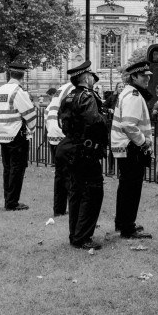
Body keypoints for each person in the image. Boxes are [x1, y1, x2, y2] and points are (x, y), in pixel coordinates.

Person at [57, 61, 107, 250]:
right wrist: (106, 119)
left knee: (76, 193)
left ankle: (75, 234)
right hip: (85, 151)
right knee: (92, 193)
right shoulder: (87, 96)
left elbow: (62, 122)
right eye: (92, 77)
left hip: (71, 147)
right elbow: (94, 121)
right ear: (86, 78)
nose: (94, 80)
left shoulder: (69, 96)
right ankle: (83, 237)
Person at [110, 60, 155, 239]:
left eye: (148, 76)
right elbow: (129, 124)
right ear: (134, 77)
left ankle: (122, 223)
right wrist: (143, 142)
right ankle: (128, 228)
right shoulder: (134, 95)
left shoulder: (129, 93)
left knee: (126, 187)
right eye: (143, 76)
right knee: (132, 189)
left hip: (125, 147)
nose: (147, 80)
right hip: (131, 148)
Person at [0, 61, 38, 211]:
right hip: (16, 134)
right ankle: (12, 202)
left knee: (7, 168)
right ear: (23, 75)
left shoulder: (1, 90)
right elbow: (30, 114)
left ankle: (8, 198)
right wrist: (32, 129)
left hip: (3, 134)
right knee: (17, 169)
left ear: (10, 73)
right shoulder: (18, 91)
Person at [45, 77, 75, 216]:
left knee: (60, 175)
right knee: (71, 175)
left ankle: (59, 209)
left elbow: (47, 111)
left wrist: (51, 129)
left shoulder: (61, 89)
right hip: (63, 135)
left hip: (53, 134)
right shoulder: (74, 90)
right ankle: (74, 209)